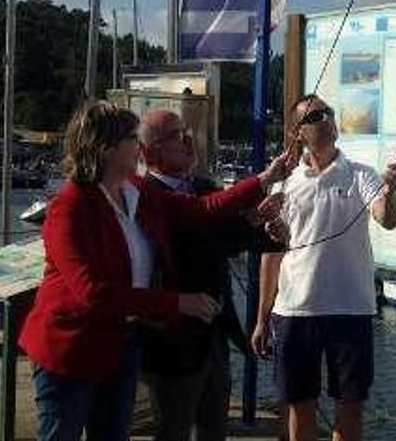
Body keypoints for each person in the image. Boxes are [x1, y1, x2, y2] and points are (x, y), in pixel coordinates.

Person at [19, 101, 292, 441]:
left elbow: (199, 209)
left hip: (122, 345)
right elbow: (92, 292)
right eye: (132, 139)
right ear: (106, 148)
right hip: (71, 349)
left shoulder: (136, 191)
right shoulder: (70, 207)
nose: (139, 147)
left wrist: (265, 179)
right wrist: (177, 303)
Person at [251, 94, 396, 441]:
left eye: (329, 112)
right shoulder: (284, 182)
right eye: (316, 115)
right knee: (299, 405)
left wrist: (391, 192)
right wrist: (261, 319)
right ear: (298, 131)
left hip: (350, 309)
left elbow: (385, 217)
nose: (326, 119)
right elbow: (273, 254)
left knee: (349, 407)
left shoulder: (360, 174)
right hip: (294, 310)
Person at [137, 108, 278, 441]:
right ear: (150, 151)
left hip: (214, 334)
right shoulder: (147, 196)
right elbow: (193, 243)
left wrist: (265, 227)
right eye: (175, 134)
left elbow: (227, 240)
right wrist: (250, 216)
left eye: (186, 130)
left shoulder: (204, 187)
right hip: (172, 339)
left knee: (214, 429)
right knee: (173, 430)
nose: (187, 139)